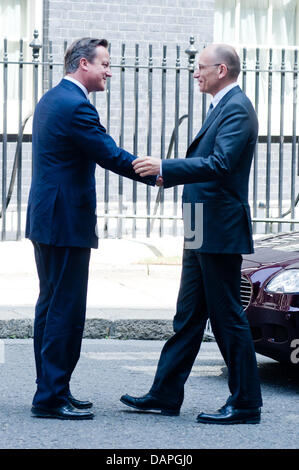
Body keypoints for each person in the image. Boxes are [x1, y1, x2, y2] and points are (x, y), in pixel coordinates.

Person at [121, 44, 263, 425]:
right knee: (188, 315)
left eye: (199, 67)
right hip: (201, 222)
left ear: (221, 69)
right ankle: (165, 394)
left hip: (219, 227)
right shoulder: (221, 106)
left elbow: (221, 163)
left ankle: (247, 402)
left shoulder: (237, 108)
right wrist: (167, 175)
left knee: (226, 316)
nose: (195, 73)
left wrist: (167, 165)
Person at [26, 37, 156, 420]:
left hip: (48, 219)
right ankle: (50, 397)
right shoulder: (76, 106)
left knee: (50, 306)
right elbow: (109, 154)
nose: (109, 71)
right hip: (65, 221)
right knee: (65, 310)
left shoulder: (52, 98)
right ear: (83, 64)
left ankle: (52, 387)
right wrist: (159, 174)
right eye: (105, 64)